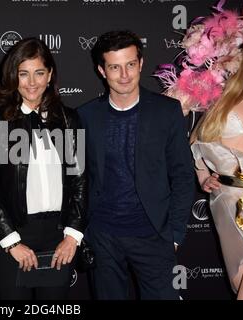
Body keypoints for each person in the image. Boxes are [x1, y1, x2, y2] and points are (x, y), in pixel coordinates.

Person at [77, 30, 195, 300]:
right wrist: (84, 231)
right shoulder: (85, 116)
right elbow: (78, 178)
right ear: (101, 70)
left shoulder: (167, 111)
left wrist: (174, 234)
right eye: (115, 67)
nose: (125, 75)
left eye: (130, 64)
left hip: (154, 236)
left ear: (141, 63)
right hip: (103, 237)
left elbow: (183, 175)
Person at [0, 38, 86, 300]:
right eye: (24, 74)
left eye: (39, 73)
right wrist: (11, 241)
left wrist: (72, 236)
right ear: (14, 77)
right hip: (13, 235)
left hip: (59, 238)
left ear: (50, 75)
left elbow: (80, 179)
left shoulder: (70, 119)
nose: (32, 82)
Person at [190, 16, 243, 300]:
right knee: (242, 281)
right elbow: (197, 139)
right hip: (229, 203)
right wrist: (202, 175)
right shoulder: (228, 91)